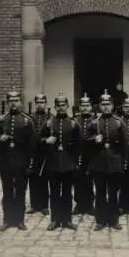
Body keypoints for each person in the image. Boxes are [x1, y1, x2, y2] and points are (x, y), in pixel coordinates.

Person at [0, 89, 36, 231]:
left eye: (16, 100)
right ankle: (7, 220)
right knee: (7, 191)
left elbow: (32, 144)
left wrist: (30, 163)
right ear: (8, 102)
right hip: (5, 161)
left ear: (20, 102)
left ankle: (20, 220)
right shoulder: (1, 119)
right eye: (11, 101)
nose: (13, 103)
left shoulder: (27, 121)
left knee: (21, 192)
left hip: (21, 162)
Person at [86, 90, 128, 231]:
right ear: (99, 106)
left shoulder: (119, 123)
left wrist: (123, 164)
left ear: (113, 105)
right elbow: (85, 142)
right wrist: (94, 140)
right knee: (100, 193)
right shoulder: (94, 123)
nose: (105, 107)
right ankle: (100, 220)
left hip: (115, 163)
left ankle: (114, 219)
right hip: (98, 164)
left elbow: (124, 145)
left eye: (108, 104)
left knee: (113, 194)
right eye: (103, 104)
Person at [40, 92, 81, 231]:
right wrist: (46, 141)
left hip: (69, 164)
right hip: (53, 164)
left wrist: (75, 163)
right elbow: (39, 141)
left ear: (68, 106)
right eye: (58, 105)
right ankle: (55, 220)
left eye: (64, 105)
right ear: (55, 107)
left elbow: (78, 145)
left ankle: (67, 220)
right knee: (55, 193)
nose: (61, 107)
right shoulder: (48, 123)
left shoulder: (74, 124)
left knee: (68, 193)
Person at [73, 93, 95, 215]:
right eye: (83, 105)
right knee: (77, 180)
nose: (85, 108)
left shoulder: (95, 121)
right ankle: (79, 204)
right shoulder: (75, 120)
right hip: (78, 154)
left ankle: (90, 204)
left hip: (91, 154)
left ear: (91, 107)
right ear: (79, 107)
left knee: (90, 179)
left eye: (87, 105)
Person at [28, 93, 50, 216]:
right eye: (38, 102)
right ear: (35, 104)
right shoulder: (30, 118)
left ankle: (44, 205)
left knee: (44, 179)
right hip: (33, 153)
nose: (40, 104)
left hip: (46, 153)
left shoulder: (50, 117)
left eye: (42, 102)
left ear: (46, 103)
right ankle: (34, 205)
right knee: (33, 178)